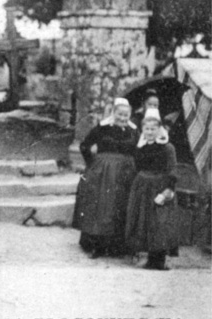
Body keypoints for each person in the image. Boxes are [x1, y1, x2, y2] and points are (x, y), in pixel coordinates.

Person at [73, 97, 138, 257]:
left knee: (120, 207)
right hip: (103, 175)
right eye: (119, 114)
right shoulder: (101, 128)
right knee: (102, 207)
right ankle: (98, 245)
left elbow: (139, 150)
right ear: (113, 112)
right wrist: (93, 163)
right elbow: (84, 145)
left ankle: (117, 247)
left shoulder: (134, 130)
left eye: (126, 115)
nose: (122, 118)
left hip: (125, 175)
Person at [125, 108, 180, 270]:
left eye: (153, 129)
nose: (149, 132)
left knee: (159, 223)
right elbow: (137, 167)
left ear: (160, 129)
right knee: (144, 221)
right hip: (142, 187)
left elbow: (172, 169)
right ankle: (148, 258)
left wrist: (167, 191)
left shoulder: (167, 148)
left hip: (160, 186)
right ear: (142, 130)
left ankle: (159, 260)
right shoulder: (141, 147)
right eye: (146, 129)